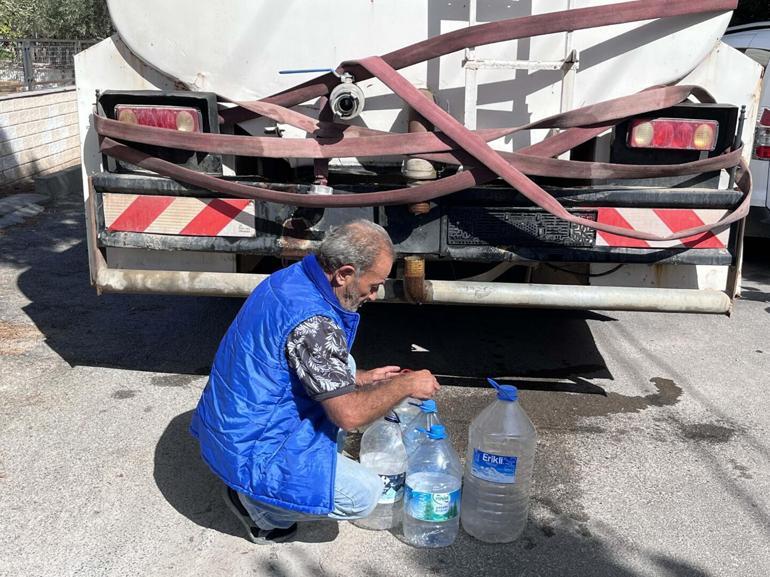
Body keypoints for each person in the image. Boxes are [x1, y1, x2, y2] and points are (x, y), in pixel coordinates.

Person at [190, 219, 440, 544]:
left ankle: (261, 484)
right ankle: (260, 507)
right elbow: (348, 415)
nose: (375, 296)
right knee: (364, 495)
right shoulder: (315, 323)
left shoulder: (293, 279)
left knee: (346, 363)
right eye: (373, 285)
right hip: (248, 450)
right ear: (345, 274)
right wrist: (405, 386)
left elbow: (304, 359)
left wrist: (362, 379)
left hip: (233, 426)